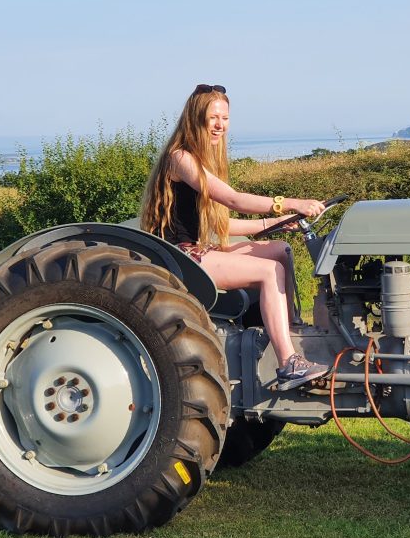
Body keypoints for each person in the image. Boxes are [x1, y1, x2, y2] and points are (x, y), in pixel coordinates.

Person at [141, 84, 332, 390]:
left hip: (200, 250)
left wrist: (275, 222)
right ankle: (288, 363)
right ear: (195, 118)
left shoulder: (203, 161)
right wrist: (290, 203)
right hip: (183, 257)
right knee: (271, 271)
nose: (219, 125)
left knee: (280, 250)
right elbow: (233, 199)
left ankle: (291, 331)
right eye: (212, 117)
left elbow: (222, 222)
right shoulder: (180, 158)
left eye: (225, 118)